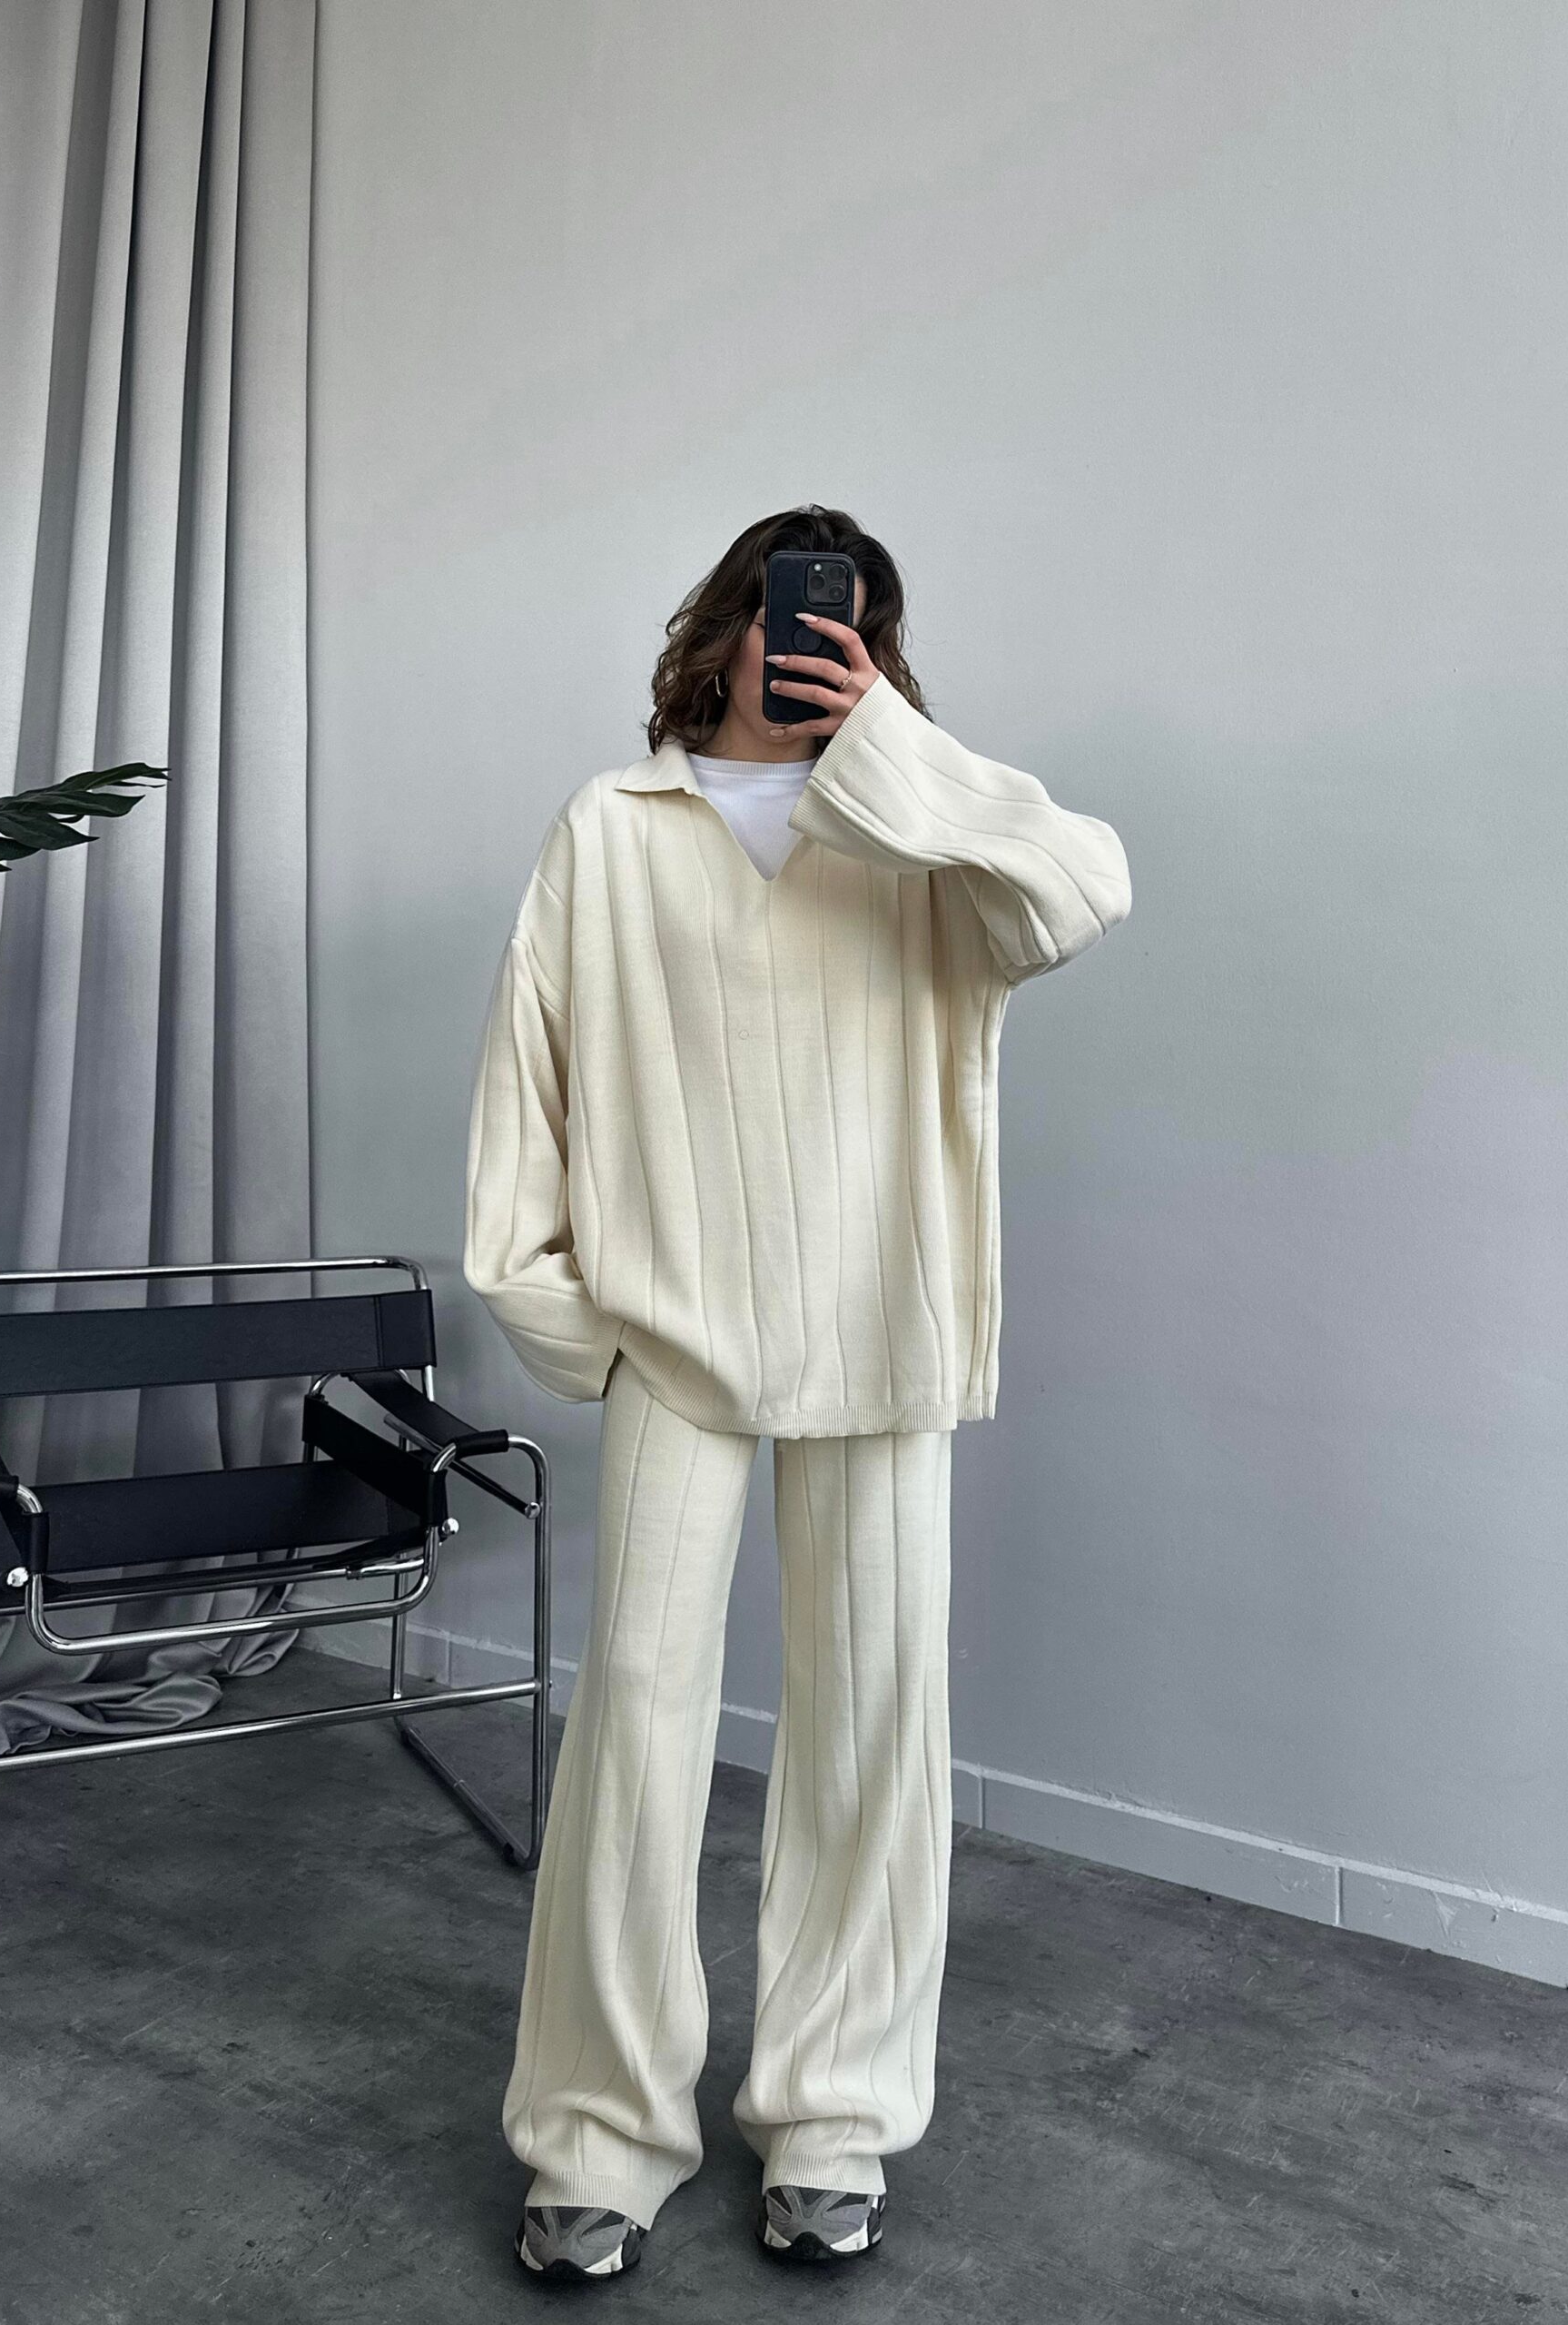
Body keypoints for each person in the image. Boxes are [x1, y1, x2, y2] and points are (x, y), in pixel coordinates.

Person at [462, 505, 1131, 2280]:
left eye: (847, 622)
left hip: (878, 1326)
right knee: (636, 1723)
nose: (806, 640)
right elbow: (528, 1080)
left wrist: (891, 748)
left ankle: (835, 2118)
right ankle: (598, 2133)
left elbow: (1082, 891)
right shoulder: (614, 828)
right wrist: (564, 1308)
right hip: (676, 1332)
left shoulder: (923, 839)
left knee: (870, 1730)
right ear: (725, 623)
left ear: (875, 649)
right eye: (781, 609)